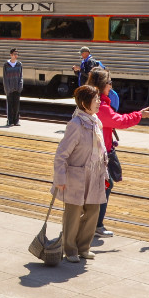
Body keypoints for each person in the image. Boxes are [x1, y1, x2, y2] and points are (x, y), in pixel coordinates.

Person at [86, 67, 149, 237]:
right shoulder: (101, 106)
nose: (111, 86)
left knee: (100, 187)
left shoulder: (92, 101)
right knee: (105, 186)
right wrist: (139, 115)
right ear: (103, 85)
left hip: (96, 150)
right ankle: (96, 224)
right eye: (109, 83)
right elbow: (120, 121)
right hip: (99, 153)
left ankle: (92, 223)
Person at [53, 85, 109, 262]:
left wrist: (105, 173)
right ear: (85, 103)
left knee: (93, 211)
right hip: (76, 176)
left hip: (94, 174)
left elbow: (101, 152)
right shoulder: (76, 124)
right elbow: (61, 154)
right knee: (73, 214)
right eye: (96, 100)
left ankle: (84, 247)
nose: (99, 102)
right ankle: (70, 250)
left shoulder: (95, 122)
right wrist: (60, 178)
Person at [3, 48, 23, 126]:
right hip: (9, 88)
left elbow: (21, 76)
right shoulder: (6, 65)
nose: (16, 55)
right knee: (10, 105)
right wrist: (7, 88)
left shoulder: (19, 64)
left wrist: (20, 87)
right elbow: (5, 78)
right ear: (11, 55)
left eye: (17, 54)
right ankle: (10, 121)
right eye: (14, 54)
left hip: (17, 88)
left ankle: (16, 121)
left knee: (16, 105)